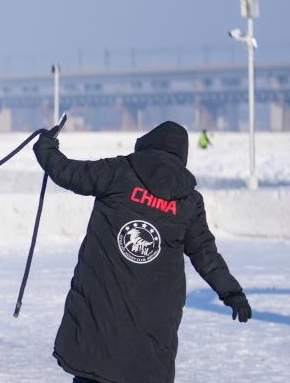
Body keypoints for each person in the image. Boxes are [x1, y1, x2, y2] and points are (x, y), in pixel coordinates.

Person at [33, 120, 251, 383]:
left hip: (100, 312)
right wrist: (232, 292)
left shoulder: (118, 172)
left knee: (93, 370)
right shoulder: (189, 200)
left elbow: (67, 172)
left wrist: (46, 147)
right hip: (152, 323)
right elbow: (206, 253)